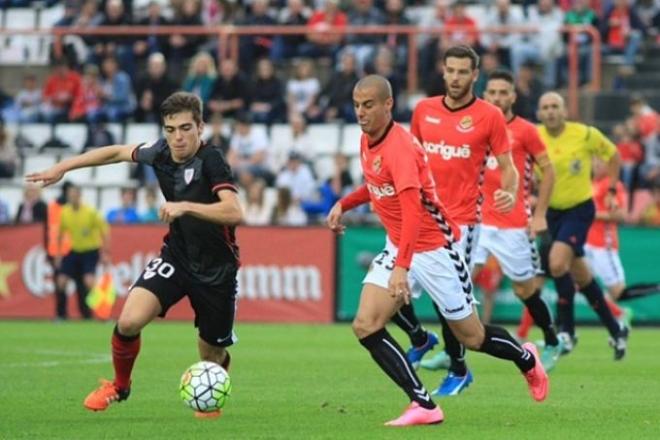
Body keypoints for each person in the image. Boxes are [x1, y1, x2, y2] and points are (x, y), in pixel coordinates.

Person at [328, 75, 547, 426]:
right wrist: (345, 203)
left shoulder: (398, 146)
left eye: (368, 105)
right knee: (366, 324)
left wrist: (401, 267)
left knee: (472, 337)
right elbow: (376, 185)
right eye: (356, 105)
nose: (360, 112)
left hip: (435, 249)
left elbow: (413, 210)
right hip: (401, 244)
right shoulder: (368, 140)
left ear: (388, 104)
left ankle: (527, 359)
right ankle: (424, 404)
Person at [26, 92, 243, 418]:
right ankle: (119, 386)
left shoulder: (212, 160)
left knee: (211, 353)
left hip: (216, 271)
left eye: (185, 128)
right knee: (128, 321)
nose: (178, 137)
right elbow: (116, 152)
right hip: (177, 258)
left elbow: (233, 211)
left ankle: (213, 381)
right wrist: (63, 167)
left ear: (200, 127)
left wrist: (185, 207)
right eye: (170, 130)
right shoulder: (160, 152)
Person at [393, 45, 519, 397]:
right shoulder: (423, 110)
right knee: (390, 287)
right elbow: (409, 160)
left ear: (475, 75)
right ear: (443, 71)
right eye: (451, 70)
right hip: (418, 217)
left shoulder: (489, 116)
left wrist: (509, 191)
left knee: (446, 299)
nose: (456, 77)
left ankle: (459, 368)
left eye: (463, 71)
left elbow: (508, 170)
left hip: (460, 224)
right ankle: (419, 338)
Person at [464, 70, 560, 369]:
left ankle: (552, 340)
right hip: (477, 222)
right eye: (492, 92)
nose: (497, 97)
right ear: (485, 94)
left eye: (503, 92)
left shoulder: (526, 130)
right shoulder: (474, 127)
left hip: (513, 223)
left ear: (513, 96)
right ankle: (455, 356)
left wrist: (540, 214)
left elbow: (550, 173)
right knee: (460, 282)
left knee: (525, 290)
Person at [536, 91, 629, 360]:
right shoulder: (535, 136)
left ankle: (567, 332)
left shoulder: (585, 134)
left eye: (555, 106)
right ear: (540, 114)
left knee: (556, 263)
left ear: (565, 111)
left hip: (579, 210)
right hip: (551, 212)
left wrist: (611, 189)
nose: (551, 111)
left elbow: (613, 156)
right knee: (582, 276)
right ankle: (616, 328)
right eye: (545, 107)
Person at [55, 183, 110, 320]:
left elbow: (105, 231)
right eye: (70, 195)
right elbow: (60, 234)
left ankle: (102, 314)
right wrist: (58, 254)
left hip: (90, 251)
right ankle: (61, 315)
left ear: (79, 196)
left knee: (89, 282)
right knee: (61, 281)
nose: (72, 197)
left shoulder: (90, 212)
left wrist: (105, 253)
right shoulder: (64, 212)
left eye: (75, 195)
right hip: (73, 251)